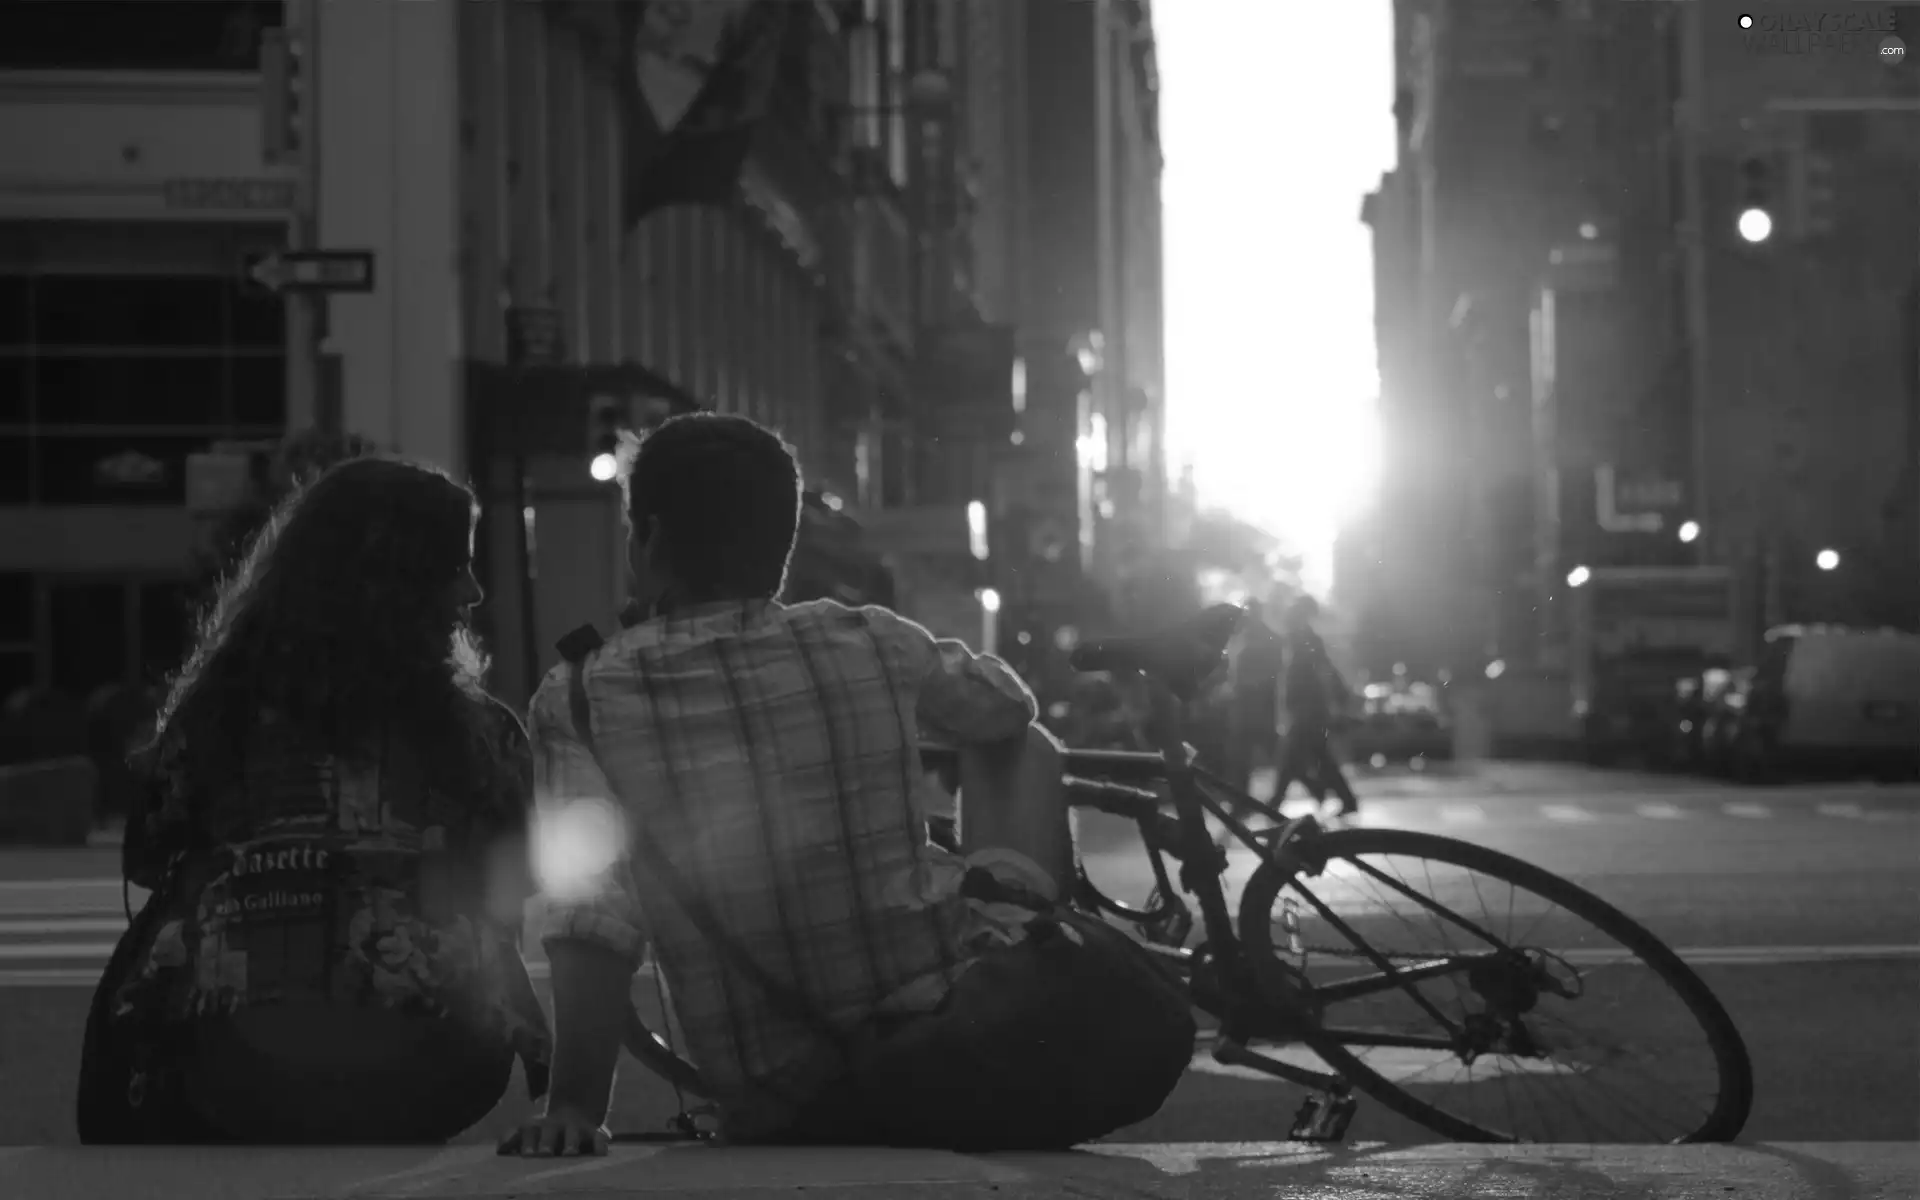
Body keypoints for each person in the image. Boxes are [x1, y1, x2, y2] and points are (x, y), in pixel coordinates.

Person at [506, 413, 1190, 1157]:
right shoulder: (868, 637)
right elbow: (1007, 709)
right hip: (958, 1030)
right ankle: (1026, 937)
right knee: (1023, 747)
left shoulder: (578, 697)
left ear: (652, 541)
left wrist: (573, 1105)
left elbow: (589, 915)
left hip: (781, 1098)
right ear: (783, 546)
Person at [79, 456, 551, 1144]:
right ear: (404, 585)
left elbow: (150, 860)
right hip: (444, 1071)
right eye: (458, 567)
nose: (475, 593)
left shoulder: (211, 719)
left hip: (231, 1071)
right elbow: (515, 888)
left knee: (156, 936)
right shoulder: (483, 734)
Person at [1273, 595, 1360, 817]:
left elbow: (1322, 670)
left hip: (1308, 710)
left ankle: (1276, 801)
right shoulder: (1300, 639)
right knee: (1316, 757)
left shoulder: (1304, 640)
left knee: (1294, 758)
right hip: (1307, 709)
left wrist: (1339, 695)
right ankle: (1341, 797)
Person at [1224, 600, 1285, 792]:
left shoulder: (1270, 639)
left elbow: (1275, 672)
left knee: (1281, 755)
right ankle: (1241, 803)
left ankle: (1316, 788)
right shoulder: (1242, 638)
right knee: (1241, 758)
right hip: (1244, 708)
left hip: (1262, 709)